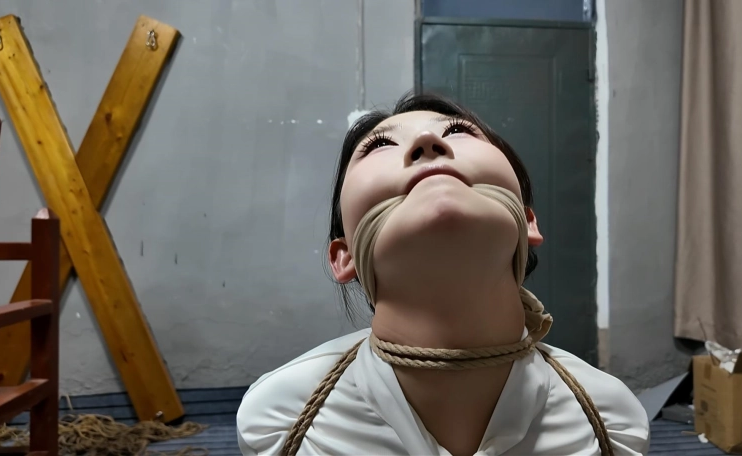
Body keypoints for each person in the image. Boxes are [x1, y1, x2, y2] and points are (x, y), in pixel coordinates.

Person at [236, 93, 649, 455]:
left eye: (458, 132)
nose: (426, 142)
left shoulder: (609, 420)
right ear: (343, 256)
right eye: (380, 145)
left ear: (527, 222)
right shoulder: (283, 418)